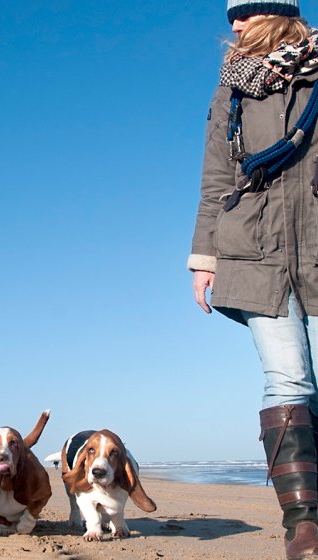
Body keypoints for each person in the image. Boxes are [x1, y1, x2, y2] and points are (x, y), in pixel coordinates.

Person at [188, 1, 318, 558]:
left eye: (244, 12)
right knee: (290, 383)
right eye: (231, 15)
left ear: (276, 13)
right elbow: (216, 173)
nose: (233, 24)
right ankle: (304, 528)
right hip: (253, 247)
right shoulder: (233, 88)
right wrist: (204, 255)